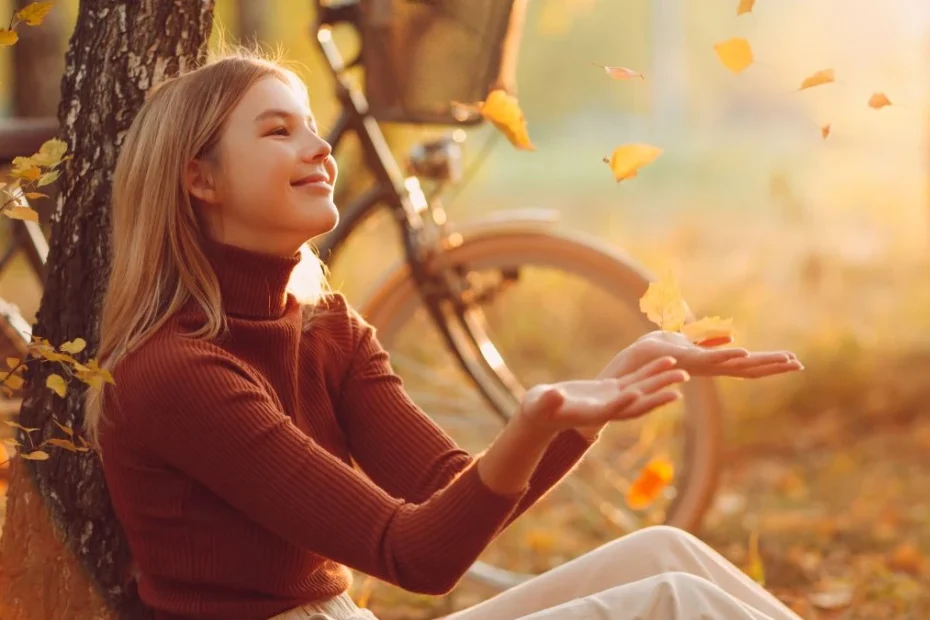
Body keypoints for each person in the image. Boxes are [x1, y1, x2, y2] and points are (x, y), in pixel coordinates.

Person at [85, 51, 804, 620]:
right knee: (675, 603)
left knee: (664, 555)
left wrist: (595, 399)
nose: (321, 149)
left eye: (313, 126)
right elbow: (415, 556)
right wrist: (536, 419)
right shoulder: (176, 373)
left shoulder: (328, 329)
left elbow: (452, 497)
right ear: (199, 179)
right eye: (279, 131)